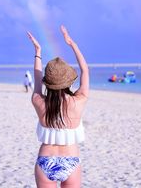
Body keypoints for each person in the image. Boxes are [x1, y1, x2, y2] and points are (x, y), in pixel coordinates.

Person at [27, 25, 89, 188]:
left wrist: (38, 52)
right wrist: (72, 44)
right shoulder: (78, 101)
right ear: (68, 81)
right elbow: (85, 71)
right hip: (71, 161)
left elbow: (37, 76)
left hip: (45, 161)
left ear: (48, 82)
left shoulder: (38, 101)